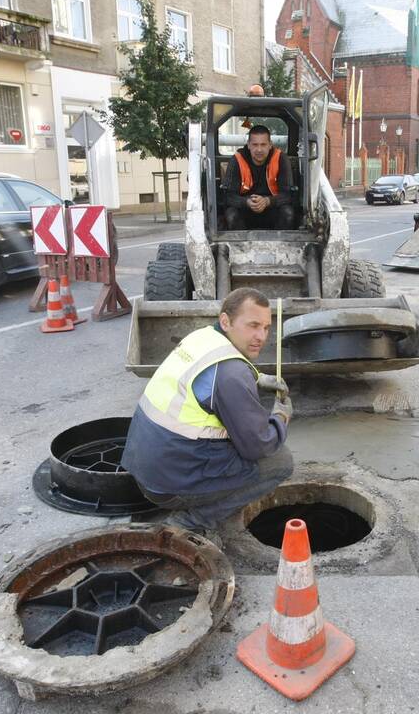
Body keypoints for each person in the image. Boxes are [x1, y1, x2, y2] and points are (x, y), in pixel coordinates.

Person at [122, 287, 294, 534]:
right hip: (170, 487)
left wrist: (256, 378)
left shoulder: (202, 337)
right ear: (226, 321)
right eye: (253, 325)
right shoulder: (231, 374)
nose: (261, 336)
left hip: (146, 467)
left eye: (266, 327)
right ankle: (194, 522)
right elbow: (258, 445)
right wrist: (280, 417)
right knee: (280, 461)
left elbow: (211, 380)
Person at [221, 124, 296, 230]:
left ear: (270, 145)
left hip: (272, 210)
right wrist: (246, 202)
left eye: (263, 144)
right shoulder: (237, 160)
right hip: (245, 211)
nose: (259, 149)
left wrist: (267, 201)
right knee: (231, 214)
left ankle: (282, 244)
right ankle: (241, 245)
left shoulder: (281, 159)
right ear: (248, 145)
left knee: (288, 213)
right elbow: (228, 197)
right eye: (255, 145)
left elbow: (289, 196)